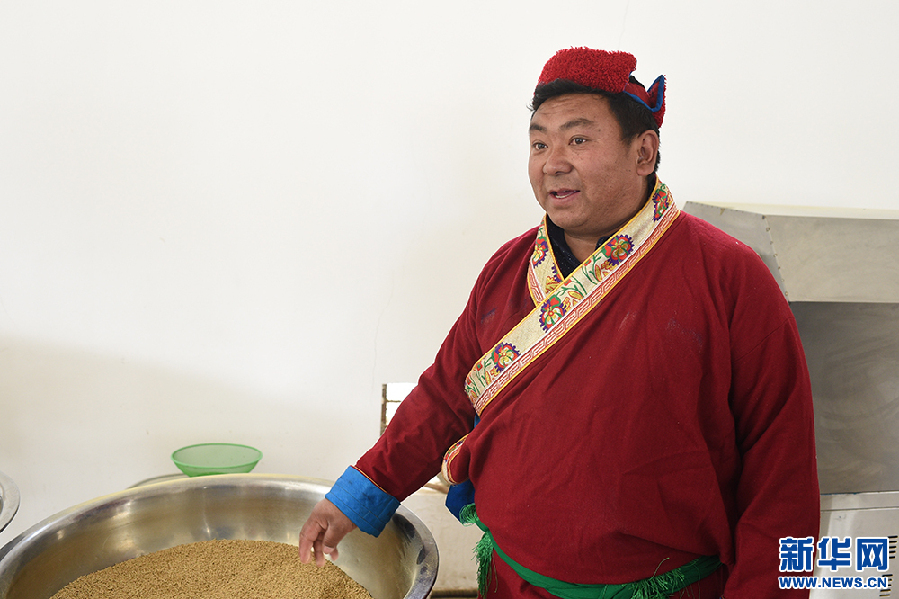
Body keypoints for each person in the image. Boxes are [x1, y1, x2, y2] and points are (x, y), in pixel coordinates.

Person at [299, 47, 819, 598]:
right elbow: (444, 396)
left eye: (579, 140)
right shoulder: (508, 270)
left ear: (644, 152)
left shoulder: (729, 277)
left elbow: (781, 477)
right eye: (539, 143)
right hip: (511, 584)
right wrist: (355, 498)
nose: (553, 163)